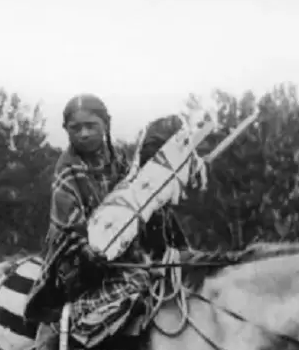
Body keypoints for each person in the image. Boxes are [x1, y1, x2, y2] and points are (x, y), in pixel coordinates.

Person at [23, 95, 200, 328]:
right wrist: (89, 252)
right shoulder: (67, 171)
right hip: (79, 260)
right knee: (140, 282)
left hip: (120, 250)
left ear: (105, 125)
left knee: (169, 267)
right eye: (76, 128)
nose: (84, 133)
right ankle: (71, 315)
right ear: (66, 130)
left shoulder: (118, 160)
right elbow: (67, 231)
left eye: (91, 126)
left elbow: (136, 199)